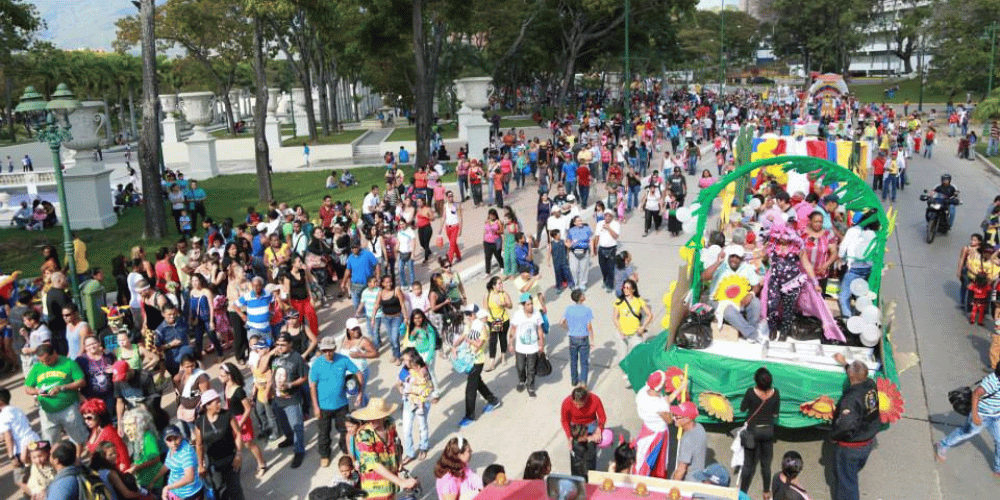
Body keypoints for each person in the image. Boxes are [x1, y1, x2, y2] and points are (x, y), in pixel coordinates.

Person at [829, 353, 880, 500]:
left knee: (847, 484)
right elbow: (858, 375)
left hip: (851, 447)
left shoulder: (850, 400)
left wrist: (833, 437)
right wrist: (845, 364)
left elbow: (845, 425)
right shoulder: (870, 384)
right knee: (851, 475)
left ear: (851, 378)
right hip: (867, 441)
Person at [935, 362, 1000, 477]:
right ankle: (943, 444)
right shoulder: (992, 382)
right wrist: (975, 415)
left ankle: (998, 468)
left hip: (996, 416)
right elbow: (976, 394)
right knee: (964, 433)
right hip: (981, 415)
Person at [352, 398, 418, 500]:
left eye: (376, 417)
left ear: (383, 416)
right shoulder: (364, 434)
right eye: (370, 417)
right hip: (374, 487)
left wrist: (399, 462)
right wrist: (401, 482)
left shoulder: (390, 423)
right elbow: (373, 464)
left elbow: (396, 443)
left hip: (391, 480)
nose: (371, 420)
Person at [23, 344, 88, 445]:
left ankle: (78, 458)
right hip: (47, 411)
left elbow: (81, 382)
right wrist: (38, 391)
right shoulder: (37, 367)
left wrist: (62, 387)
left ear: (54, 353)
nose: (45, 363)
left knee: (79, 438)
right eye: (42, 361)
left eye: (47, 360)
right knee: (50, 441)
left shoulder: (68, 363)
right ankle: (56, 460)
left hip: (69, 408)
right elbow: (27, 388)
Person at [310, 336, 359, 468]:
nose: (328, 353)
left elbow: (358, 373)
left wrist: (360, 392)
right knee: (324, 432)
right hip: (323, 406)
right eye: (325, 350)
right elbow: (312, 386)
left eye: (330, 350)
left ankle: (345, 451)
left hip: (341, 404)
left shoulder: (343, 360)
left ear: (334, 349)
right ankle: (325, 455)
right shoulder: (317, 364)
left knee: (344, 430)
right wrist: (315, 406)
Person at [453, 308, 501, 428]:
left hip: (477, 362)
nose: (468, 316)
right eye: (467, 314)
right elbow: (462, 337)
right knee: (478, 383)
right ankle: (493, 400)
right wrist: (454, 346)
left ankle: (470, 416)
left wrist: (468, 339)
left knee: (470, 390)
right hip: (469, 360)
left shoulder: (484, 328)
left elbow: (479, 344)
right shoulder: (470, 325)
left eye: (470, 314)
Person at [218, 363, 267, 477]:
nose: (221, 378)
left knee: (249, 444)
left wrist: (240, 422)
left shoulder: (239, 390)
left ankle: (261, 463)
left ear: (229, 375)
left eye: (222, 375)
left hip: (241, 419)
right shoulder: (225, 386)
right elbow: (227, 403)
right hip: (231, 419)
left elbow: (248, 409)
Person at [194, 389, 244, 500]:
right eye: (216, 402)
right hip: (213, 463)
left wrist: (238, 454)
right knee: (220, 490)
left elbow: (238, 434)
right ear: (207, 405)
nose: (219, 404)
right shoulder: (200, 422)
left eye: (219, 401)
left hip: (231, 459)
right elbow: (199, 444)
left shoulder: (227, 415)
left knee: (235, 489)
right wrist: (200, 465)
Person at [739, 367, 780, 496]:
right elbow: (775, 414)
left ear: (756, 381)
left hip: (753, 431)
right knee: (766, 465)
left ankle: (742, 492)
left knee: (748, 465)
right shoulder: (776, 393)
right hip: (768, 431)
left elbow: (742, 408)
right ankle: (766, 491)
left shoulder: (751, 392)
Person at [270, 333, 309, 468]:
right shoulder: (275, 356)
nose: (279, 347)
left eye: (282, 345)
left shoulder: (297, 358)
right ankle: (289, 438)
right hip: (277, 398)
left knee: (296, 425)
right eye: (277, 344)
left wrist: (291, 385)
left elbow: (304, 377)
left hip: (292, 399)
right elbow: (269, 371)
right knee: (283, 423)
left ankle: (299, 450)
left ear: (290, 344)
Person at [153, 425, 206, 500]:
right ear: (165, 442)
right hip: (175, 491)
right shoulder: (172, 449)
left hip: (188, 494)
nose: (174, 443)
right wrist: (154, 480)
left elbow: (189, 477)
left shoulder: (186, 452)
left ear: (181, 436)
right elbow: (167, 465)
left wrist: (167, 487)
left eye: (176, 438)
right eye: (169, 440)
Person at [613, 279, 652, 378]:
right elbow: (614, 317)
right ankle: (626, 374)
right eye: (624, 287)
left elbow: (649, 315)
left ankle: (633, 375)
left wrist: (643, 327)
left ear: (633, 290)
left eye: (627, 288)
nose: (625, 290)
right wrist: (620, 331)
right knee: (623, 356)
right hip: (622, 334)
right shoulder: (619, 301)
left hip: (635, 333)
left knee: (635, 356)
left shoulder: (639, 301)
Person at [80, 398, 132, 472]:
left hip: (114, 471)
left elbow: (122, 452)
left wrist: (126, 472)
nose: (86, 421)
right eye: (84, 418)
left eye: (89, 418)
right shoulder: (94, 430)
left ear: (99, 416)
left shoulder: (109, 432)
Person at [510, 292, 545, 397]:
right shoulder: (517, 315)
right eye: (528, 304)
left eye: (531, 304)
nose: (531, 306)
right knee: (520, 366)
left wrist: (541, 344)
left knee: (531, 368)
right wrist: (510, 344)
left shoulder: (537, 314)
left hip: (533, 347)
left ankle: (530, 386)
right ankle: (522, 381)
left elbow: (540, 330)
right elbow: (513, 330)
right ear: (523, 305)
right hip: (520, 347)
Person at [0, 387, 41, 466]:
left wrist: (11, 457)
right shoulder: (17, 409)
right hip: (34, 440)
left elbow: (9, 437)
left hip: (21, 449)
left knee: (21, 475)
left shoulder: (3, 416)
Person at [561, 290, 594, 387]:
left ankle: (574, 380)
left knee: (573, 360)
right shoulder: (587, 310)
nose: (584, 295)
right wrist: (592, 340)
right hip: (583, 338)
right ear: (580, 298)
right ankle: (583, 383)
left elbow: (561, 322)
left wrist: (569, 329)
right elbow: (589, 327)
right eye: (582, 294)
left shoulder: (569, 309)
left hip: (572, 338)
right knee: (584, 363)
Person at [155, 303, 195, 376]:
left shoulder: (181, 321)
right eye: (169, 314)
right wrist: (170, 345)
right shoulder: (160, 330)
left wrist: (190, 343)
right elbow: (158, 348)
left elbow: (186, 333)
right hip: (174, 362)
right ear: (163, 314)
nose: (172, 316)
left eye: (174, 314)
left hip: (188, 360)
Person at [670, 401, 706, 482]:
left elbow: (681, 470)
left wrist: (672, 486)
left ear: (687, 419)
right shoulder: (700, 427)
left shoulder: (687, 440)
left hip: (688, 483)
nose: (673, 418)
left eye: (676, 417)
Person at [483, 276, 512, 371]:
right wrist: (484, 322)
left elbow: (510, 306)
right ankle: (492, 362)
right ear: (493, 286)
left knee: (502, 338)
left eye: (501, 283)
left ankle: (503, 357)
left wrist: (505, 304)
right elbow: (485, 310)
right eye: (499, 283)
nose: (501, 285)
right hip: (494, 320)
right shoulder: (487, 295)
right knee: (493, 341)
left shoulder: (504, 294)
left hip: (503, 319)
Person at [593, 210, 621, 291]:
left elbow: (616, 236)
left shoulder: (616, 224)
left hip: (611, 248)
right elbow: (597, 236)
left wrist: (609, 228)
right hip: (601, 248)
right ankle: (605, 280)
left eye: (609, 216)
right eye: (606, 215)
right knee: (603, 267)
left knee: (610, 268)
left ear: (612, 217)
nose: (607, 217)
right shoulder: (600, 223)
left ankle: (610, 284)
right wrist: (594, 247)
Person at [566, 216, 593, 291]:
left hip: (584, 251)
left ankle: (582, 284)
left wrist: (593, 251)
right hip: (574, 252)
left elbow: (591, 240)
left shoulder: (587, 229)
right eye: (578, 221)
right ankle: (574, 283)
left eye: (580, 220)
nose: (580, 222)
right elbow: (568, 241)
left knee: (584, 268)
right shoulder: (570, 231)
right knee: (573, 269)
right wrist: (569, 246)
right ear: (574, 223)